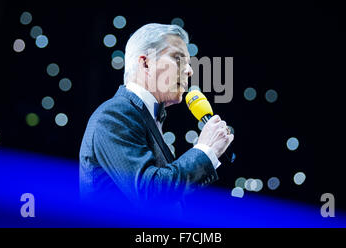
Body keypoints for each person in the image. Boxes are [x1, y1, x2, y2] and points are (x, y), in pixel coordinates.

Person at [79, 23, 234, 213]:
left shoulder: (147, 116)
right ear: (145, 63)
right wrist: (205, 151)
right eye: (178, 59)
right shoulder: (115, 114)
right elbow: (150, 193)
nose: (189, 71)